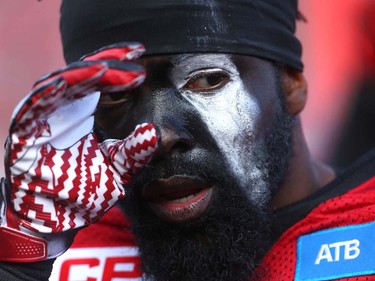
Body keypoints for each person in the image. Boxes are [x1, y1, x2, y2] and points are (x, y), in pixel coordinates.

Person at [0, 1, 374, 281]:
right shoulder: (53, 244)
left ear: (291, 82)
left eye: (207, 80)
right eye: (114, 96)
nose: (156, 136)